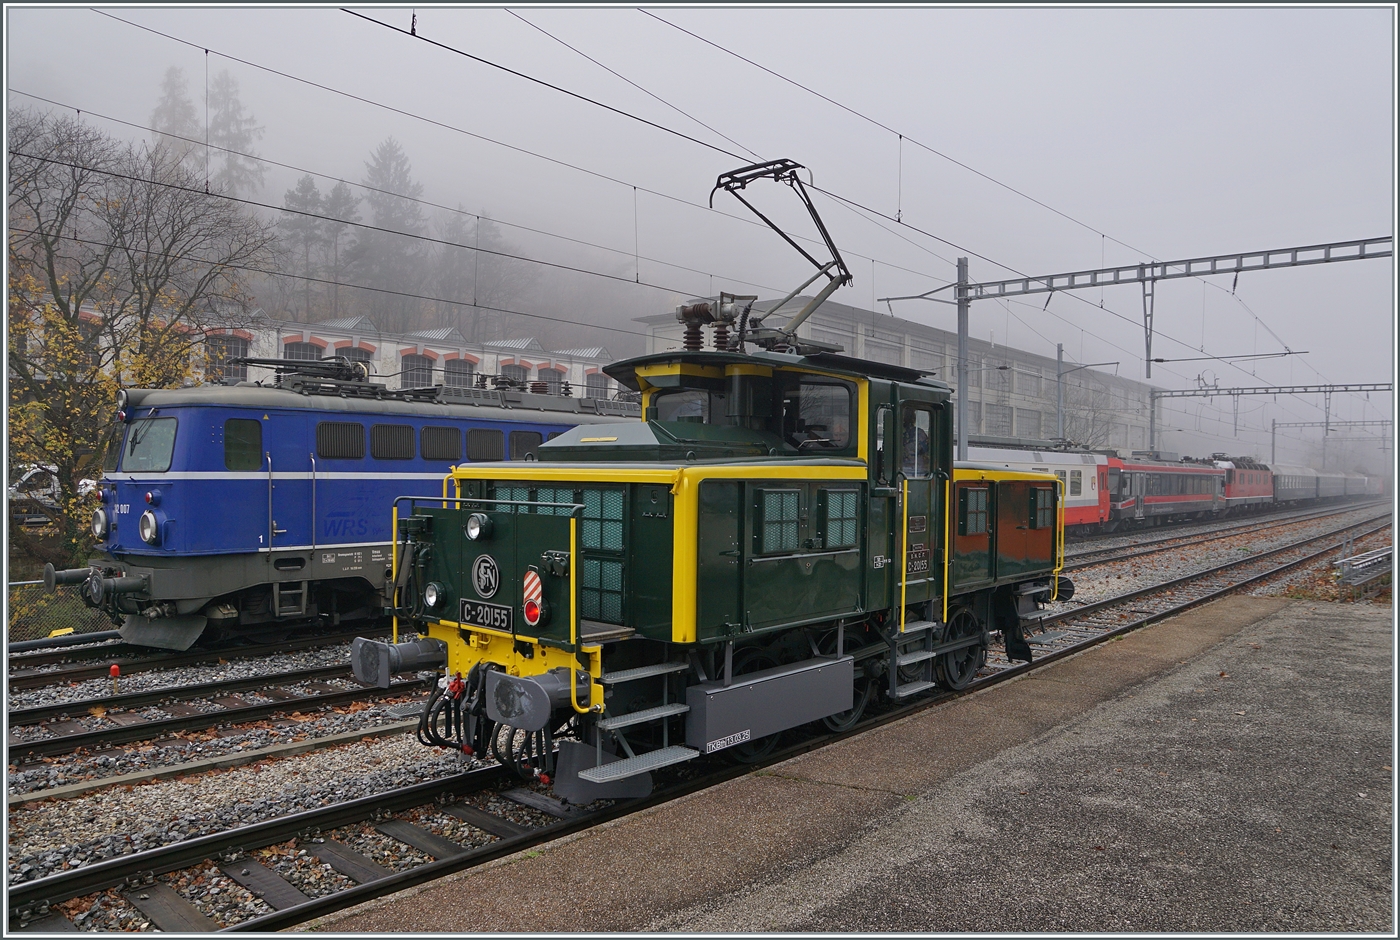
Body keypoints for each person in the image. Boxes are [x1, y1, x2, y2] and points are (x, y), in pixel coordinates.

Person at [901, 408, 930, 476]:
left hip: (901, 470)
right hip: (917, 471)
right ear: (913, 418)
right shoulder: (919, 433)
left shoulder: (895, 432)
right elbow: (927, 452)